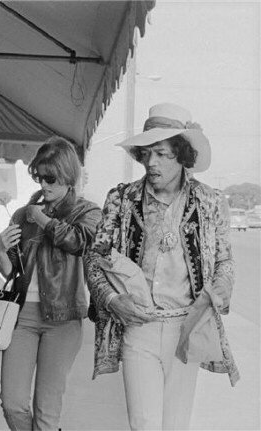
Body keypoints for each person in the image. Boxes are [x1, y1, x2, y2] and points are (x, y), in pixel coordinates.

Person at [85, 103, 239, 430]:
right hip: (139, 327)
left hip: (187, 326)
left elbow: (225, 260)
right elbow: (94, 257)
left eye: (162, 154)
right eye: (146, 154)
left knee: (174, 425)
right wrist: (113, 301)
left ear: (182, 155)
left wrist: (221, 288)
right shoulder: (122, 199)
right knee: (143, 424)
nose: (151, 162)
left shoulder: (210, 202)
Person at [0, 136, 102, 430]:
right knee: (12, 402)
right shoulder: (22, 215)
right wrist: (0, 249)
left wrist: (42, 219)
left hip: (63, 320)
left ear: (69, 176)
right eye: (39, 177)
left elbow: (79, 243)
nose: (43, 184)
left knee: (46, 410)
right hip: (22, 319)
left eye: (51, 177)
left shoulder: (88, 212)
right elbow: (10, 272)